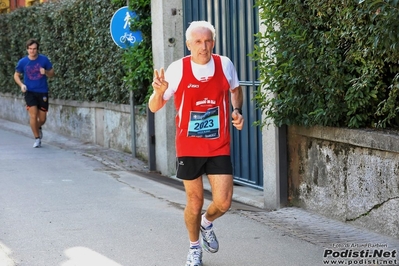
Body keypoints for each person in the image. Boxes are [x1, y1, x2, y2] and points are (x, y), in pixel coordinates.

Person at [149, 21, 244, 266]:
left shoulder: (224, 64)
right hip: (189, 147)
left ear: (213, 42)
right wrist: (159, 91)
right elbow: (154, 106)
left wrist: (236, 110)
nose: (204, 47)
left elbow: (236, 89)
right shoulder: (177, 70)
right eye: (198, 42)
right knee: (195, 201)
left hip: (218, 144)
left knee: (223, 202)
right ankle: (194, 248)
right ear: (189, 44)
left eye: (208, 41)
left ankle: (206, 223)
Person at [14, 39, 55, 148]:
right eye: (30, 49)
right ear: (27, 49)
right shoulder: (23, 62)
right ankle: (37, 139)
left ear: (37, 49)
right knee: (33, 115)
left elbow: (52, 73)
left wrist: (45, 72)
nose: (32, 51)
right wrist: (21, 85)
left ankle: (37, 127)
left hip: (42, 91)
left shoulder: (44, 60)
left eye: (34, 49)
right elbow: (16, 75)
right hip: (30, 92)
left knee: (42, 119)